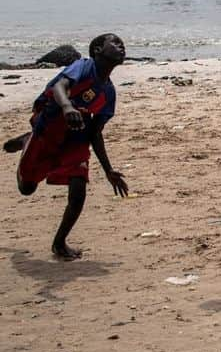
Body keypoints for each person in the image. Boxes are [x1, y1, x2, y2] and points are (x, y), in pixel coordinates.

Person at [3, 33, 129, 260]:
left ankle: (59, 243)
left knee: (78, 190)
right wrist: (67, 107)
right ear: (98, 49)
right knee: (27, 188)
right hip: (48, 130)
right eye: (115, 42)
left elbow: (95, 133)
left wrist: (108, 169)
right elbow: (60, 86)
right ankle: (26, 141)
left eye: (122, 44)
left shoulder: (108, 93)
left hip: (76, 140)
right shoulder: (83, 67)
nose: (122, 46)